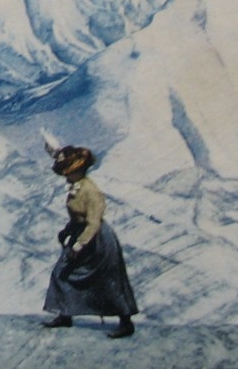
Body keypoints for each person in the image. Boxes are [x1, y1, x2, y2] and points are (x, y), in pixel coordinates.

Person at [43, 145, 137, 339]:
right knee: (62, 273)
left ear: (76, 170)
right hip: (81, 234)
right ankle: (65, 313)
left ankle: (125, 322)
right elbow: (78, 217)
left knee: (108, 281)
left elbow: (92, 223)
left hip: (97, 241)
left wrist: (78, 246)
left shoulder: (90, 191)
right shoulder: (78, 188)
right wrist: (67, 231)